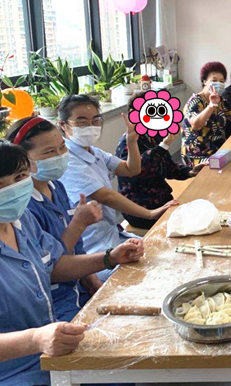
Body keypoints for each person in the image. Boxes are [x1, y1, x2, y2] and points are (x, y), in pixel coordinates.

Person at [0, 140, 143, 386]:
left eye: (19, 177)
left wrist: (109, 258)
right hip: (6, 372)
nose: (12, 190)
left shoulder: (21, 221)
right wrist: (34, 339)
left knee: (120, 371)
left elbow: (53, 267)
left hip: (48, 353)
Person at [57, 94, 175, 280]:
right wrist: (150, 213)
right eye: (82, 122)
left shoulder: (94, 152)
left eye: (95, 121)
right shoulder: (68, 161)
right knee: (148, 275)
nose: (91, 127)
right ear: (63, 125)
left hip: (113, 234)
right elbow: (106, 196)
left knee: (166, 257)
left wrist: (131, 142)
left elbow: (131, 169)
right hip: (93, 249)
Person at [5, 117, 105, 322]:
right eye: (49, 152)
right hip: (57, 300)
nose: (60, 156)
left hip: (79, 286)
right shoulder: (21, 207)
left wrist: (91, 279)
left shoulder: (55, 186)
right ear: (23, 160)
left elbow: (76, 248)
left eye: (62, 147)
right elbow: (50, 266)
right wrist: (79, 224)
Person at [116, 92, 207, 230]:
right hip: (141, 211)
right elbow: (139, 171)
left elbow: (169, 167)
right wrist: (164, 145)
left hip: (163, 201)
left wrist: (190, 171)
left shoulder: (154, 136)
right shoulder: (127, 143)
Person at [182, 61, 231, 165]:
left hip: (220, 150)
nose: (218, 83)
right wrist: (211, 106)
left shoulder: (220, 100)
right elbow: (196, 125)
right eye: (214, 80)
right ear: (204, 81)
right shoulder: (195, 102)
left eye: (221, 81)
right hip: (199, 155)